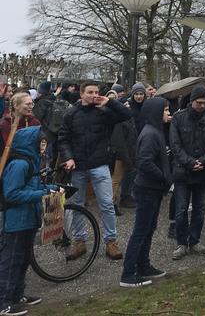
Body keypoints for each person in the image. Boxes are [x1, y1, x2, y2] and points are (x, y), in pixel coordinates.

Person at [59, 82, 133, 260]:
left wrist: (110, 102)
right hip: (78, 166)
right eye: (90, 92)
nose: (94, 95)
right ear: (82, 94)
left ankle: (111, 241)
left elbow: (127, 114)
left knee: (107, 204)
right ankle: (80, 241)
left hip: (99, 164)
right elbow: (63, 138)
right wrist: (68, 157)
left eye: (97, 92)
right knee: (78, 205)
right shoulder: (70, 113)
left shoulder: (104, 111)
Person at [0, 126, 55, 315]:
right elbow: (12, 193)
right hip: (16, 220)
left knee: (23, 260)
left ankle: (16, 294)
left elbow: (34, 184)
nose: (43, 146)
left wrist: (53, 189)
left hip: (29, 218)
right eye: (40, 142)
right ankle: (3, 302)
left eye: (45, 142)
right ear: (30, 143)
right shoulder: (20, 164)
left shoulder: (32, 161)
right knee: (11, 260)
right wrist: (41, 194)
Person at [120, 97, 173, 288]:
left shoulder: (157, 131)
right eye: (166, 110)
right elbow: (145, 162)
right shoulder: (150, 134)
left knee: (149, 229)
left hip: (154, 189)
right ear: (156, 113)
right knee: (140, 231)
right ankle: (128, 273)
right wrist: (163, 177)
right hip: (147, 189)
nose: (169, 114)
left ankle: (143, 265)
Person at [170, 85, 205, 260]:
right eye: (199, 103)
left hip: (203, 170)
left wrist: (203, 161)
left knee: (199, 209)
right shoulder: (178, 118)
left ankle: (195, 240)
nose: (202, 106)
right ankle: (181, 242)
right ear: (192, 102)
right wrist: (191, 163)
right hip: (183, 171)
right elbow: (175, 145)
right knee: (181, 209)